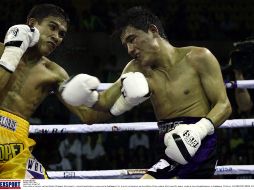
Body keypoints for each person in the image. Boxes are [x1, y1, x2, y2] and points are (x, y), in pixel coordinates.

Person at [61, 6, 232, 179]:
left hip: (199, 143)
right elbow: (104, 103)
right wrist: (87, 97)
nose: (129, 49)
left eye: (132, 39)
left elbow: (224, 105)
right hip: (166, 145)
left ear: (152, 31)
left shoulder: (199, 57)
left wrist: (198, 131)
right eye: (126, 44)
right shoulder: (135, 68)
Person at [0, 3, 110, 179]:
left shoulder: (54, 73)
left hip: (16, 146)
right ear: (32, 24)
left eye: (62, 34)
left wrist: (122, 99)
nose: (57, 37)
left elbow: (88, 116)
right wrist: (13, 51)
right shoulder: (1, 51)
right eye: (52, 27)